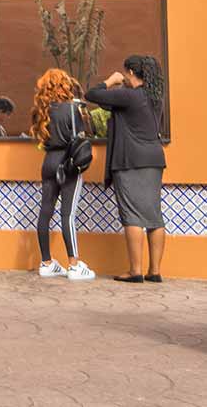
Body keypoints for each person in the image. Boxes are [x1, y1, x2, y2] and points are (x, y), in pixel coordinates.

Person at [86, 55, 167, 283]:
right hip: (154, 158)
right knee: (154, 216)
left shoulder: (129, 96)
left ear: (131, 71)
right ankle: (155, 271)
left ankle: (135, 271)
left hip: (130, 159)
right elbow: (112, 104)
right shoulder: (155, 97)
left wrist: (110, 81)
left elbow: (91, 95)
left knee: (132, 215)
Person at [30, 69, 95, 281]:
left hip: (48, 162)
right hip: (68, 164)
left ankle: (46, 263)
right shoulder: (71, 108)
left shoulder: (42, 111)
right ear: (64, 86)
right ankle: (74, 265)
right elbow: (79, 138)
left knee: (45, 212)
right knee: (67, 215)